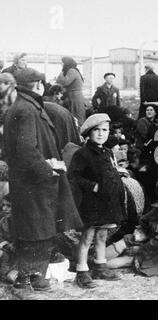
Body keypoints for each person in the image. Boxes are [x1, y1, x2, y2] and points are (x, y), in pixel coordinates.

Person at [3, 68, 83, 291]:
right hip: (35, 183)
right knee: (37, 231)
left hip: (29, 182)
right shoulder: (27, 109)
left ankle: (31, 278)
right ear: (38, 84)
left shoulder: (21, 106)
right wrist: (48, 170)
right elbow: (26, 150)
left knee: (37, 229)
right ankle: (29, 281)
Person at [68, 113, 125, 289]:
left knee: (102, 235)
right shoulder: (82, 154)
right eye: (97, 130)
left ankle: (100, 265)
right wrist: (92, 186)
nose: (101, 133)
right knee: (88, 236)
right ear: (89, 133)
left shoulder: (107, 152)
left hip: (107, 202)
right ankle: (82, 270)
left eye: (105, 130)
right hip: (91, 203)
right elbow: (74, 176)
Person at [105, 178, 158, 277]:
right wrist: (142, 234)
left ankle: (99, 264)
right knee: (126, 240)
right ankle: (97, 259)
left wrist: (140, 249)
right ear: (157, 193)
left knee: (133, 258)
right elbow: (143, 220)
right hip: (154, 243)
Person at [56, 56, 87, 126]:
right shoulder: (73, 70)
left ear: (66, 63)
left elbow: (65, 82)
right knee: (75, 115)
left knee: (77, 116)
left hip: (75, 97)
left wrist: (60, 74)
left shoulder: (72, 71)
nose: (61, 64)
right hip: (74, 96)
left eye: (62, 62)